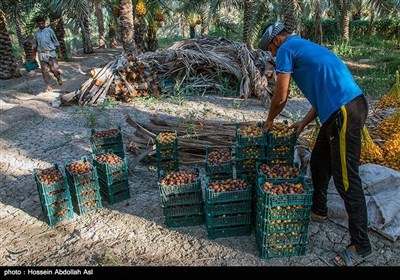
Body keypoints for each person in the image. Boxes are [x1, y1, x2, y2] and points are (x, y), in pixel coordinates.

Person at [258, 21, 372, 266]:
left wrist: (269, 120)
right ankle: (319, 210)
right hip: (340, 109)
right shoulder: (303, 46)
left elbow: (281, 96)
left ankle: (361, 246)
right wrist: (302, 123)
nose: (272, 55)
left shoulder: (287, 50)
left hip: (344, 111)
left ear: (276, 40)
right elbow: (322, 94)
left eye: (270, 50)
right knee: (320, 161)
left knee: (347, 179)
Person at [32, 17, 63, 92]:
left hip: (51, 52)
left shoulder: (49, 31)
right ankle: (48, 86)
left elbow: (56, 42)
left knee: (53, 69)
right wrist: (34, 56)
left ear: (44, 23)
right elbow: (35, 45)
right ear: (37, 24)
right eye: (39, 24)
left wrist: (59, 52)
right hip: (41, 54)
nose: (41, 25)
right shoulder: (36, 33)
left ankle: (58, 77)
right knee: (44, 71)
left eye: (42, 23)